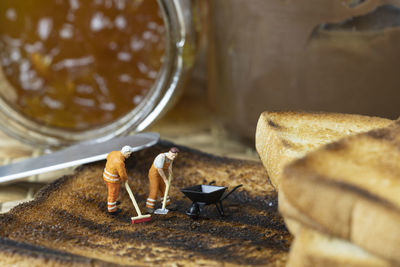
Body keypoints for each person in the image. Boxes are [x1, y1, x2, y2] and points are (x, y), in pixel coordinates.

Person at [146, 147, 179, 213]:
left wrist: (170, 170)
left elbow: (170, 163)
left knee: (164, 188)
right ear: (169, 152)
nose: (173, 158)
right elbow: (159, 170)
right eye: (172, 156)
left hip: (161, 174)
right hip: (154, 174)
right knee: (154, 190)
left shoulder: (171, 157)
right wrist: (165, 179)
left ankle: (166, 204)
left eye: (175, 156)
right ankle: (149, 207)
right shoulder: (161, 157)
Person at [103, 145, 133, 215]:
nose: (129, 156)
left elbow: (107, 157)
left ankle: (113, 203)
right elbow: (122, 174)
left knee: (112, 193)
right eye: (128, 154)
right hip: (112, 180)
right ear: (124, 153)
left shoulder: (113, 153)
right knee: (113, 193)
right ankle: (112, 209)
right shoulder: (120, 162)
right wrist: (125, 179)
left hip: (106, 175)